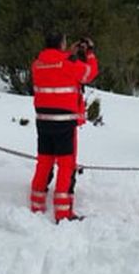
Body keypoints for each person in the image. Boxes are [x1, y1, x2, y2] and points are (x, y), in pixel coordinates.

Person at [29, 31, 98, 222]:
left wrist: (70, 52)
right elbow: (89, 73)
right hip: (64, 122)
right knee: (66, 165)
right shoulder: (68, 63)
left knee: (44, 162)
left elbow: (56, 68)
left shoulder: (38, 64)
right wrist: (89, 53)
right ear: (61, 44)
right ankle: (63, 212)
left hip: (43, 120)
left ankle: (36, 205)